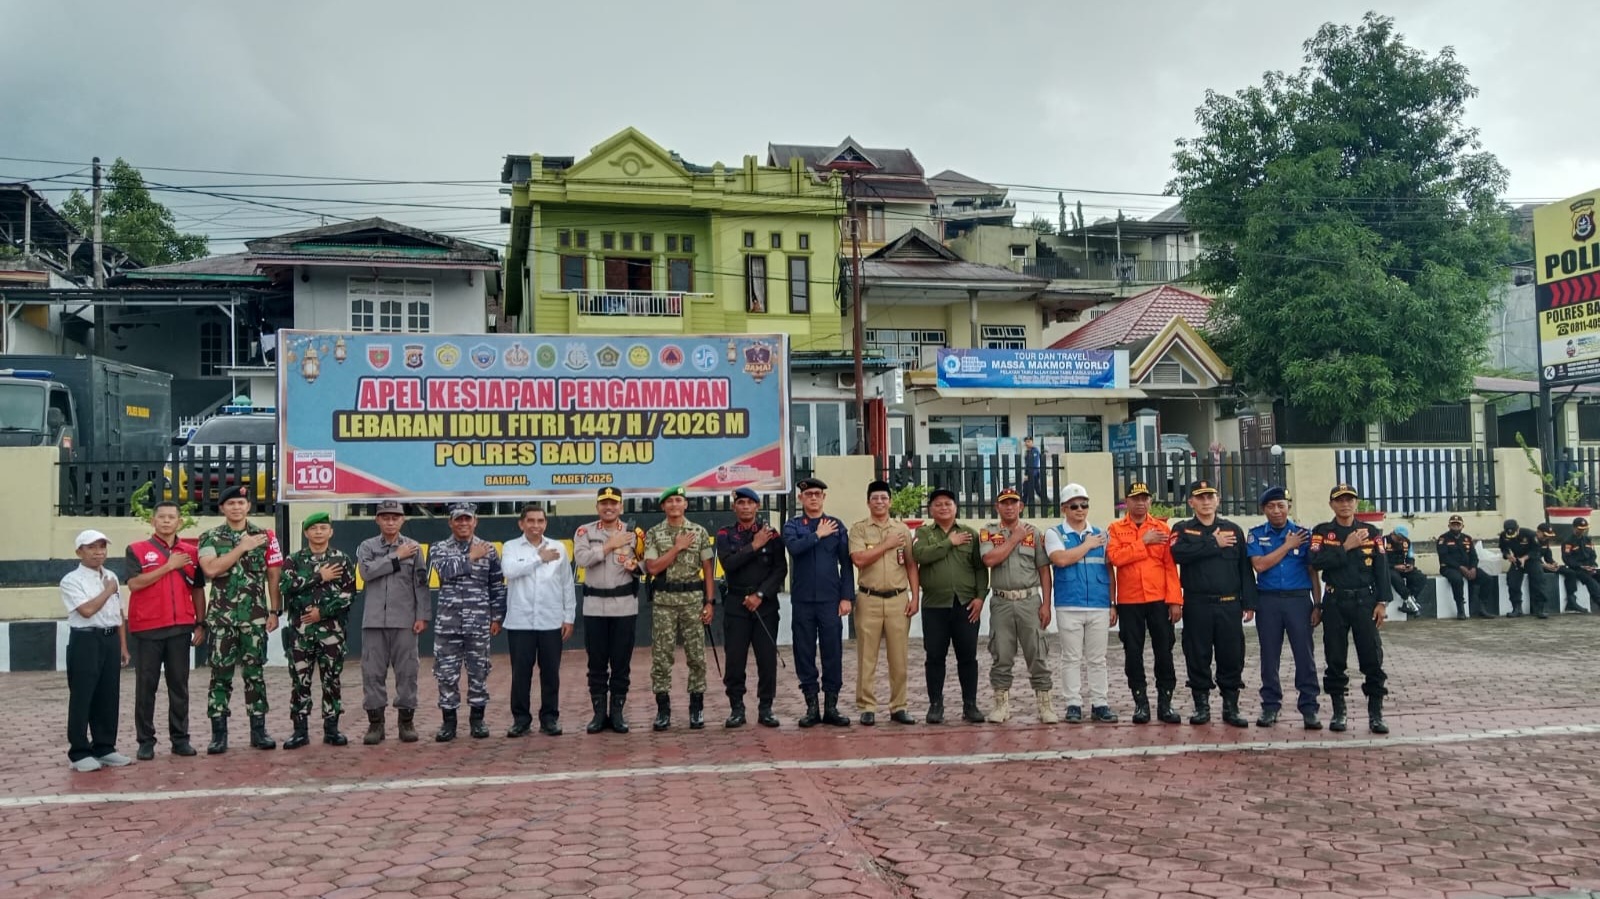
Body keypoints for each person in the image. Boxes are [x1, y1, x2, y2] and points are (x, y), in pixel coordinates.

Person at [197, 484, 284, 754]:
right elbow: (211, 569)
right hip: (222, 618)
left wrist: (274, 610)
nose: (236, 507)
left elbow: (273, 574)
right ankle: (218, 734)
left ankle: (259, 731)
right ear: (222, 508)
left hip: (255, 618)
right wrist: (241, 548)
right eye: (230, 503)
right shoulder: (210, 537)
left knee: (254, 674)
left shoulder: (266, 536)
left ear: (248, 507)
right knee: (220, 675)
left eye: (241, 503)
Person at [1169, 480, 1256, 728]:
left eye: (1210, 497)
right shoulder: (1183, 529)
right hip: (1198, 604)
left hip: (1229, 604)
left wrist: (1248, 601)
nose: (1206, 502)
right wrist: (1211, 544)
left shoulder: (1233, 529)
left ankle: (1231, 706)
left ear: (1218, 500)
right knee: (1197, 655)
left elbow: (1244, 568)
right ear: (1191, 502)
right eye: (1201, 497)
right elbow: (1178, 554)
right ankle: (1201, 707)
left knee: (1232, 656)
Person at [124, 500, 206, 759]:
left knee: (179, 686)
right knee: (146, 687)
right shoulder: (137, 550)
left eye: (172, 517)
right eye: (162, 517)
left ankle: (180, 739)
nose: (167, 521)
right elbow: (135, 584)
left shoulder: (191, 552)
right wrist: (169, 566)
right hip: (148, 628)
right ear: (153, 521)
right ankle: (145, 741)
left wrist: (200, 622)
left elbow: (197, 589)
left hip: (180, 627)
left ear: (179, 522)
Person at [1309, 483, 1391, 734]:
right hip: (1335, 601)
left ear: (1356, 503)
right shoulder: (1323, 532)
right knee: (1335, 657)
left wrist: (1381, 602)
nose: (1345, 504)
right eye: (1340, 500)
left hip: (1364, 602)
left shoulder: (1371, 531)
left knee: (1372, 657)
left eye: (1350, 500)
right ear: (1332, 504)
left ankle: (1375, 714)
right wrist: (1346, 547)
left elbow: (1381, 569)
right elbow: (1315, 561)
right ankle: (1339, 712)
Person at [1106, 481, 1183, 724]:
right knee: (1133, 652)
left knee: (1164, 651)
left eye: (1144, 498)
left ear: (1150, 501)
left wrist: (1175, 601)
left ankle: (1165, 702)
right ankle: (1140, 702)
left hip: (1159, 599)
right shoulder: (1116, 528)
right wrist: (1143, 542)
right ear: (1126, 502)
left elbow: (1170, 567)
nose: (1140, 503)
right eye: (1135, 498)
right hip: (1130, 601)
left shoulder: (1161, 528)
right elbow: (1115, 558)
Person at [428, 502, 506, 742]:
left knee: (479, 671)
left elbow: (496, 585)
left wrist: (497, 616)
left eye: (467, 519)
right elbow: (445, 571)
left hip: (479, 622)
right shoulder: (439, 548)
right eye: (458, 519)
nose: (463, 523)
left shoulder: (489, 550)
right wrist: (471, 556)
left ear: (475, 521)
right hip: (448, 624)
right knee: (446, 673)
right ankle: (448, 723)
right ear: (450, 522)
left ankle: (477, 720)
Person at [355, 499, 431, 744]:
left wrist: (422, 615)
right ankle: (375, 724)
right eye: (385, 517)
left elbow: (420, 584)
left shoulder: (414, 547)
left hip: (405, 620)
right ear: (377, 519)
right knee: (372, 673)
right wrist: (396, 557)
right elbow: (367, 572)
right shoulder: (367, 546)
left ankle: (406, 722)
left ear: (402, 520)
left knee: (408, 672)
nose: (390, 521)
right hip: (374, 621)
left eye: (395, 517)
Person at [1246, 487, 1322, 729]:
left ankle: (1309, 707)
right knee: (1269, 656)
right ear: (1263, 509)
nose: (1276, 511)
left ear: (1288, 506)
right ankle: (1270, 706)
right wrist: (1288, 546)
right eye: (1271, 506)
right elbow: (1260, 565)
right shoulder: (1256, 535)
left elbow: (1313, 573)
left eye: (1281, 505)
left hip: (1299, 600)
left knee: (1304, 656)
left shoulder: (1306, 535)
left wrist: (1317, 604)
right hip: (1268, 601)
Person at [280, 512, 357, 749]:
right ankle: (300, 730)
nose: (319, 532)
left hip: (330, 631)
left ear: (331, 532)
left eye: (324, 528)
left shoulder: (341, 560)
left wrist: (321, 613)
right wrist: (318, 576)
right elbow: (286, 586)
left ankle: (332, 729)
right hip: (300, 633)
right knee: (300, 681)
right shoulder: (294, 560)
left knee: (331, 679)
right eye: (314, 528)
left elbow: (349, 594)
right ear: (306, 533)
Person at [782, 477, 854, 728]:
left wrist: (846, 596)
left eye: (817, 494)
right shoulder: (793, 525)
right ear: (801, 498)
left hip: (830, 600)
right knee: (804, 652)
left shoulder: (836, 525)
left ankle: (831, 706)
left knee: (832, 651)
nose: (813, 497)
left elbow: (846, 563)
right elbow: (794, 548)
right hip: (803, 599)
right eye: (808, 494)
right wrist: (816, 535)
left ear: (824, 497)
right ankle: (811, 705)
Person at [573, 487, 645, 734]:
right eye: (604, 503)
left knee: (621, 663)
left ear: (621, 507)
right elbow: (581, 559)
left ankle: (617, 713)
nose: (609, 507)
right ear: (597, 507)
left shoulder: (634, 533)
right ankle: (597, 714)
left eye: (613, 503)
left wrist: (636, 566)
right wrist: (608, 546)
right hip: (595, 608)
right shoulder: (585, 531)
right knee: (596, 663)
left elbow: (646, 563)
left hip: (624, 607)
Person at [914, 487, 989, 724]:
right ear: (930, 509)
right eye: (938, 504)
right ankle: (935, 704)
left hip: (966, 604)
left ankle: (970, 705)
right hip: (934, 605)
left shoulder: (970, 534)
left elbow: (980, 567)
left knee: (967, 656)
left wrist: (980, 597)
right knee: (934, 656)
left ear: (956, 507)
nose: (943, 507)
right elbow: (921, 556)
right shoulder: (924, 533)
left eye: (948, 503)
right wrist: (949, 542)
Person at [644, 486, 716, 731]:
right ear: (663, 507)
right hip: (664, 601)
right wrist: (677, 547)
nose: (675, 504)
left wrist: (709, 601)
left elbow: (708, 568)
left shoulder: (699, 532)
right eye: (670, 501)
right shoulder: (654, 533)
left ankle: (696, 708)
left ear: (685, 505)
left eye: (679, 500)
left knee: (697, 657)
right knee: (662, 658)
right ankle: (663, 710)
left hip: (693, 601)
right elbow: (652, 568)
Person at [981, 486, 1055, 724]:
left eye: (1014, 502)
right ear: (997, 507)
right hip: (1001, 601)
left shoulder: (1034, 533)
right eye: (1004, 503)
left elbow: (1044, 570)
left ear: (1021, 506)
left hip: (1029, 601)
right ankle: (1001, 705)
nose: (1009, 506)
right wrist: (1014, 539)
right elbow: (989, 559)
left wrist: (1046, 604)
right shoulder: (988, 532)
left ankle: (1045, 704)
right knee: (1001, 653)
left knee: (1037, 653)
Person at [848, 480, 919, 726]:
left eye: (884, 498)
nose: (880, 502)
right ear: (868, 502)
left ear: (890, 502)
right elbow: (859, 559)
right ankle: (867, 706)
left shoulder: (901, 530)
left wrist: (915, 596)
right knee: (867, 656)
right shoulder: (859, 530)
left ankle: (899, 706)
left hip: (898, 599)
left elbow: (910, 564)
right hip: (869, 598)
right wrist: (886, 545)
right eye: (875, 498)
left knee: (899, 657)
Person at [716, 487, 789, 728]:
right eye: (741, 503)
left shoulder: (772, 534)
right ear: (734, 507)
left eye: (750, 503)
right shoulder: (725, 534)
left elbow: (780, 570)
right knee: (735, 659)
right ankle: (736, 707)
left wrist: (760, 594)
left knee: (767, 659)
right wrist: (754, 546)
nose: (745, 507)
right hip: (736, 604)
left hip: (764, 605)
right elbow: (729, 564)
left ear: (757, 506)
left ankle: (766, 707)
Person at [501, 503, 575, 737]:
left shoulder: (558, 547)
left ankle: (550, 718)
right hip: (520, 622)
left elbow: (566, 584)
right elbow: (510, 571)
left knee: (551, 673)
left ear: (546, 523)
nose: (535, 525)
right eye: (530, 521)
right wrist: (538, 558)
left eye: (540, 521)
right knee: (521, 674)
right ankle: (521, 719)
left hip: (551, 621)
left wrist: (569, 616)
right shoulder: (511, 547)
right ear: (521, 523)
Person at [62, 529, 132, 771]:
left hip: (110, 640)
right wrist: (108, 590)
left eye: (102, 547)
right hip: (86, 641)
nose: (98, 552)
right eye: (91, 547)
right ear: (79, 551)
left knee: (108, 695)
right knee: (83, 695)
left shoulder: (110, 575)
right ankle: (79, 751)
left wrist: (123, 646)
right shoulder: (72, 580)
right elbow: (87, 611)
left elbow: (119, 614)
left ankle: (105, 747)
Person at [1045, 483, 1114, 724]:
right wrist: (1086, 545)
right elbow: (1061, 559)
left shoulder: (1101, 534)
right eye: (1074, 505)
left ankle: (1100, 703)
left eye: (1084, 504)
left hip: (1098, 603)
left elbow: (1109, 569)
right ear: (1064, 508)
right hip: (1069, 603)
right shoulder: (1055, 534)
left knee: (1098, 658)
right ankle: (1073, 703)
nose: (1080, 509)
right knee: (1071, 657)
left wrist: (1112, 602)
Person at [1436, 514, 1483, 620]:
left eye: (1458, 525)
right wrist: (1460, 567)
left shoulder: (1467, 538)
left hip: (1468, 568)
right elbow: (1444, 557)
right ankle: (1460, 609)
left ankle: (1482, 607)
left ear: (1462, 526)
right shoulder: (1443, 539)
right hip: (1449, 568)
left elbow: (1473, 556)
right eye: (1453, 525)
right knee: (1457, 580)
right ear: (1449, 526)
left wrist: (1473, 568)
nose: (1456, 527)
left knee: (1486, 578)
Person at [1500, 519, 1539, 618]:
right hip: (1516, 560)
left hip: (1531, 559)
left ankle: (1540, 608)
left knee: (1538, 579)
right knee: (1512, 581)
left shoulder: (1529, 534)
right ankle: (1516, 607)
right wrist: (1508, 556)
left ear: (1518, 528)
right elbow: (1503, 549)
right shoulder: (1503, 535)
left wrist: (1525, 558)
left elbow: (1536, 550)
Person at [1561, 517, 1599, 613]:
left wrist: (1592, 565)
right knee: (1591, 582)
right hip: (1577, 568)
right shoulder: (1568, 541)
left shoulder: (1587, 539)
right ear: (1574, 528)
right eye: (1580, 529)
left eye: (1584, 529)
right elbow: (1567, 558)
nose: (1582, 531)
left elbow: (1593, 554)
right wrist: (1581, 566)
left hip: (1589, 567)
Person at [1385, 526, 1426, 617]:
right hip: (1388, 567)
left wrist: (1410, 565)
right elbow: (1380, 561)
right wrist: (1395, 566)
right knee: (1396, 579)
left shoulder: (1406, 543)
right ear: (1393, 534)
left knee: (1420, 577)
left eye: (1403, 539)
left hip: (1402, 567)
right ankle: (1409, 601)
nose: (1401, 541)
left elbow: (1410, 556)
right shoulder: (1383, 541)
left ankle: (1408, 602)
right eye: (1399, 538)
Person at [1535, 523, 1562, 619]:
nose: (1547, 538)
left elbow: (1548, 557)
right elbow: (1532, 559)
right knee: (1539, 577)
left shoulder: (1545, 542)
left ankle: (1571, 599)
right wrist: (1544, 566)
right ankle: (1540, 607)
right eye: (1545, 535)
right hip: (1531, 566)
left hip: (1542, 565)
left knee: (1568, 572)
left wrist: (1554, 563)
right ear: (1538, 532)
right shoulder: (1531, 541)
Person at [1021, 437, 1043, 510]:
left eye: (1029, 441)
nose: (1027, 443)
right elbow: (1027, 464)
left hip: (1034, 474)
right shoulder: (1027, 451)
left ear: (1032, 442)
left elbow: (1035, 464)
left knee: (1037, 490)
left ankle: (1047, 503)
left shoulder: (1034, 451)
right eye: (1026, 442)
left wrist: (1030, 475)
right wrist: (1026, 474)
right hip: (1028, 474)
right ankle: (1021, 507)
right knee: (1025, 490)